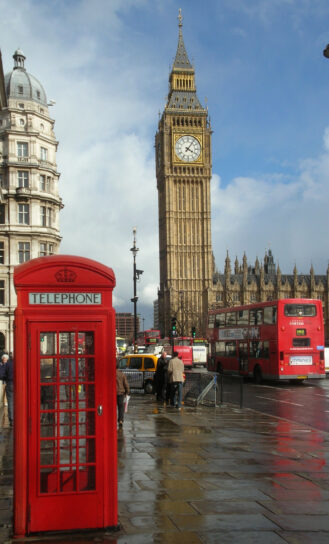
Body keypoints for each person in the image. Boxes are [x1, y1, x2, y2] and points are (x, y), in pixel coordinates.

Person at [0, 354, 13, 426]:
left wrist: (6, 378)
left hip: (10, 383)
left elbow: (1, 375)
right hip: (21, 384)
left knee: (10, 402)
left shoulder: (8, 364)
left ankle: (12, 420)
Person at [116, 364, 130, 428]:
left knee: (112, 408)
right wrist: (127, 391)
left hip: (112, 394)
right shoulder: (122, 374)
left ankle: (112, 420)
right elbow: (126, 384)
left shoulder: (110, 374)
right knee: (121, 407)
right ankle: (120, 420)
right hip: (121, 393)